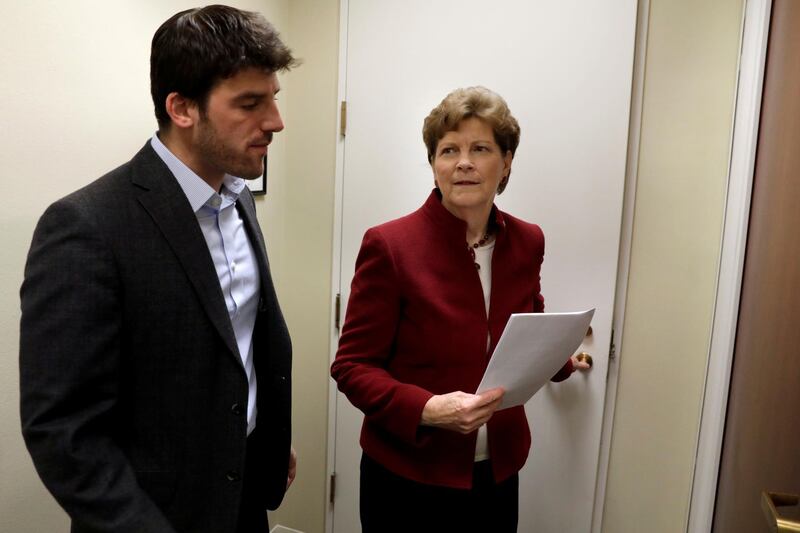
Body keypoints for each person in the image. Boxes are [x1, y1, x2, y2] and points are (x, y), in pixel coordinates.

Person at [19, 6, 298, 533]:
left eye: (274, 99)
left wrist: (261, 437)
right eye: (249, 103)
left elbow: (236, 342)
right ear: (182, 108)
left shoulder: (238, 200)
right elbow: (63, 430)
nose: (275, 122)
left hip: (243, 500)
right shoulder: (85, 227)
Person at [330, 86, 591, 532]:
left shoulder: (528, 241)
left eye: (481, 148)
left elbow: (524, 328)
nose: (463, 162)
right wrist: (430, 409)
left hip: (497, 471)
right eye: (449, 149)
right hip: (407, 476)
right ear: (434, 165)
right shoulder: (390, 246)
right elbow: (353, 367)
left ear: (506, 162)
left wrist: (561, 361)